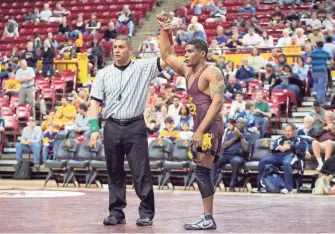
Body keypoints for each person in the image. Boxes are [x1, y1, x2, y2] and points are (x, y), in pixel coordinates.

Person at [89, 35, 168, 227]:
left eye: (121, 47)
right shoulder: (103, 73)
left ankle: (146, 212)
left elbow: (167, 59)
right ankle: (116, 212)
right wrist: (93, 129)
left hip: (135, 125)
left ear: (130, 50)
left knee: (141, 170)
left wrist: (165, 32)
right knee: (114, 171)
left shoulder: (143, 67)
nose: (116, 50)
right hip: (112, 125)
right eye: (114, 47)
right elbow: (95, 101)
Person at [158, 12, 225, 230]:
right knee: (200, 170)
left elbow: (217, 103)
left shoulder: (212, 72)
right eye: (185, 51)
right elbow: (167, 54)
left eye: (190, 52)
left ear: (202, 53)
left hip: (210, 125)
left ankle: (208, 218)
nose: (185, 55)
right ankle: (207, 217)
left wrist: (200, 131)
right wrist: (166, 28)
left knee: (202, 171)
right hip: (201, 126)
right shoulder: (187, 71)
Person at [253, 124, 306, 194]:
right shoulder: (282, 138)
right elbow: (273, 145)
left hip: (292, 156)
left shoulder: (299, 139)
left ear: (294, 131)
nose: (287, 133)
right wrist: (278, 146)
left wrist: (290, 147)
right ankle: (259, 187)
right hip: (278, 156)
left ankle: (288, 188)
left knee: (287, 163)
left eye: (289, 131)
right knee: (263, 161)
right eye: (286, 131)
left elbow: (302, 148)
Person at [212, 118, 252, 191]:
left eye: (241, 123)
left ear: (245, 125)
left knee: (235, 161)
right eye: (238, 123)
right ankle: (212, 183)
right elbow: (223, 146)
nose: (239, 124)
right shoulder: (230, 134)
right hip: (226, 155)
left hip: (239, 156)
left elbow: (246, 149)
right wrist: (234, 138)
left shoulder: (248, 135)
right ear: (236, 124)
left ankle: (232, 185)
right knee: (215, 159)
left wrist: (241, 137)